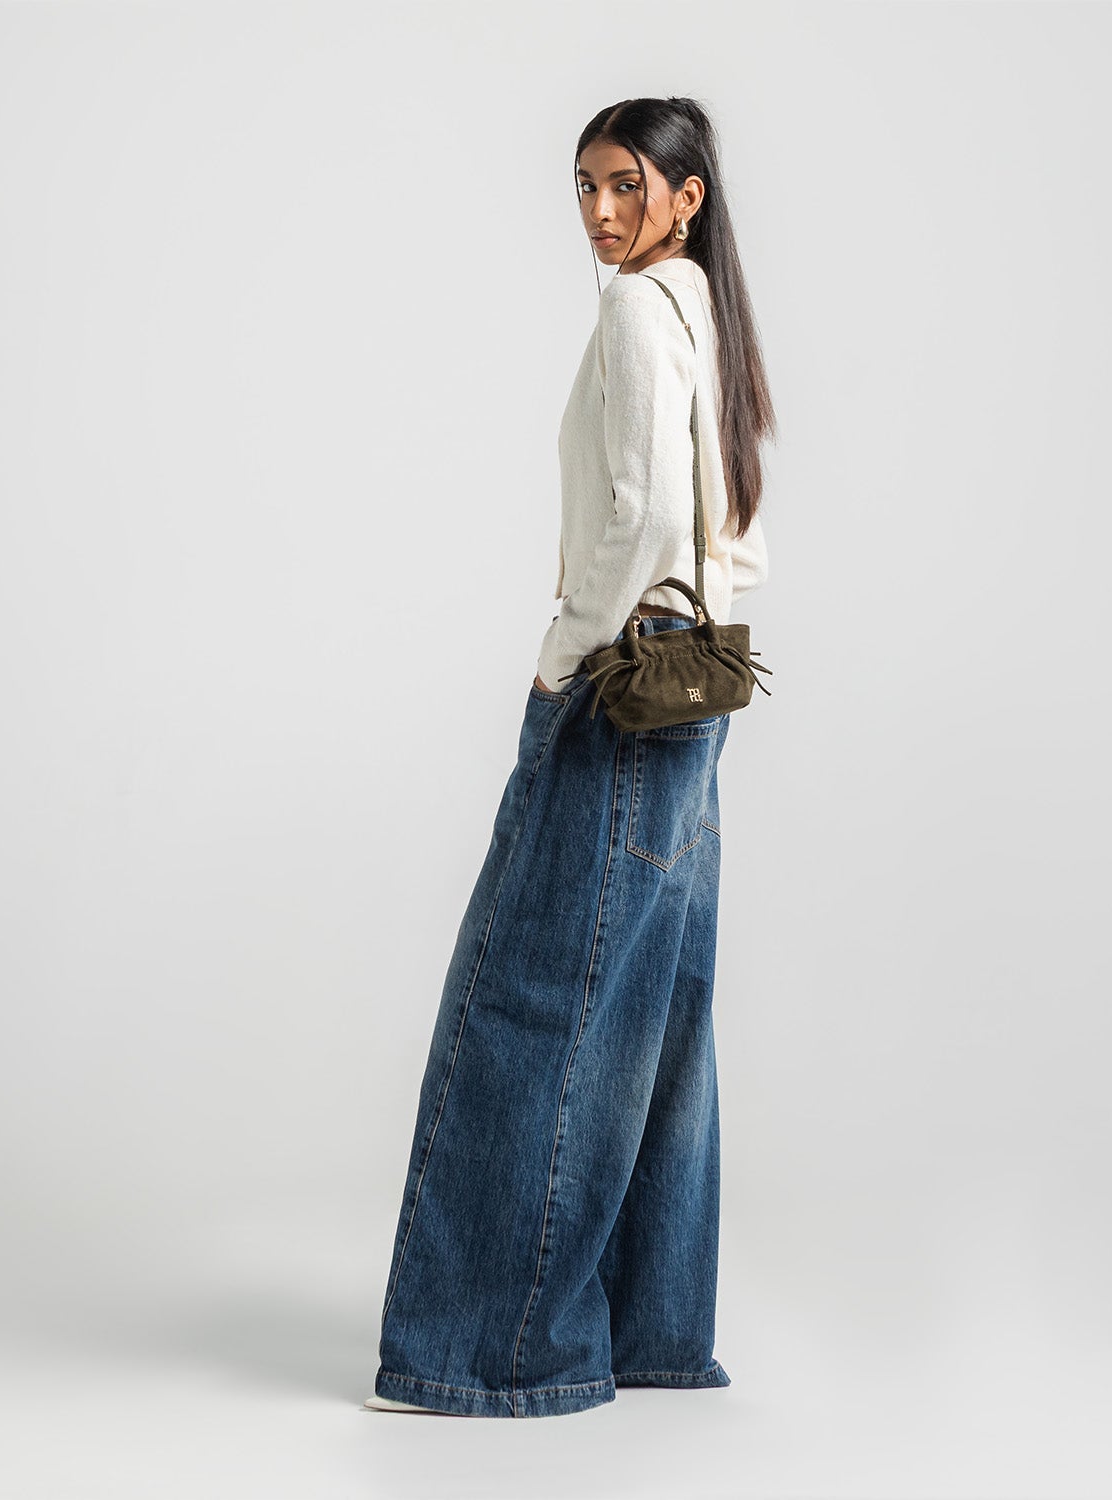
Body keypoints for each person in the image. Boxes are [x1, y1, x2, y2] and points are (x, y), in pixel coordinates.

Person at [365, 96, 774, 1419]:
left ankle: (498, 1351)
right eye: (585, 186)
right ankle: (651, 1330)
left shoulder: (639, 310)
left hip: (621, 682)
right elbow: (729, 520)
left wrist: (565, 650)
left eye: (625, 186)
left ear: (685, 198)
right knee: (660, 1016)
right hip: (696, 683)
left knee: (533, 1005)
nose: (599, 212)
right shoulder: (712, 314)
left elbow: (642, 511)